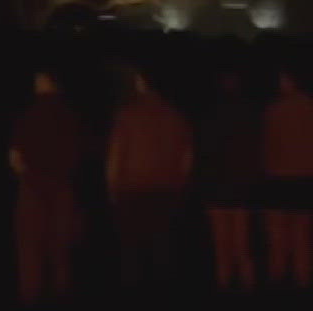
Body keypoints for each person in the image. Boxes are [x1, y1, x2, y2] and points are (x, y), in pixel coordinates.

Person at [106, 67, 193, 291]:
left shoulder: (127, 114)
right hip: (165, 190)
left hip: (132, 191)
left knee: (131, 255)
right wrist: (179, 184)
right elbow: (186, 157)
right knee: (165, 252)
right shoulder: (175, 115)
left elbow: (117, 155)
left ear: (141, 82)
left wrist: (113, 188)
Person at [9, 69, 85, 305]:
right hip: (62, 185)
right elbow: (80, 152)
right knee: (60, 247)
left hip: (33, 186)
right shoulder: (70, 114)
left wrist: (26, 174)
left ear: (45, 83)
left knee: (31, 248)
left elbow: (15, 156)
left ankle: (31, 296)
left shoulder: (29, 114)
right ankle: (61, 294)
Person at [195, 66, 263, 292]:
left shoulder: (211, 116)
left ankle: (224, 285)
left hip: (217, 188)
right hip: (242, 188)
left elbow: (204, 155)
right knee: (243, 243)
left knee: (221, 244)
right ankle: (247, 285)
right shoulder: (250, 114)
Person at [262, 67, 313, 288]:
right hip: (306, 178)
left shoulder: (274, 111)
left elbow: (267, 146)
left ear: (289, 81)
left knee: (278, 234)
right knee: (303, 233)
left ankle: (279, 276)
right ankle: (303, 276)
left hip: (278, 178)